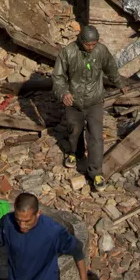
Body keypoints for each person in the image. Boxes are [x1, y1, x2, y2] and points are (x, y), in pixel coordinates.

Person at [53, 24, 120, 185]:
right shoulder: (68, 52)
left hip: (94, 101)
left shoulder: (101, 51)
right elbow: (58, 77)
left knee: (96, 136)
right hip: (73, 101)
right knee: (74, 131)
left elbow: (111, 67)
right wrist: (63, 93)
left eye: (93, 44)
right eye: (87, 44)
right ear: (80, 40)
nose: (91, 47)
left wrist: (119, 82)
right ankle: (75, 153)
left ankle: (96, 172)